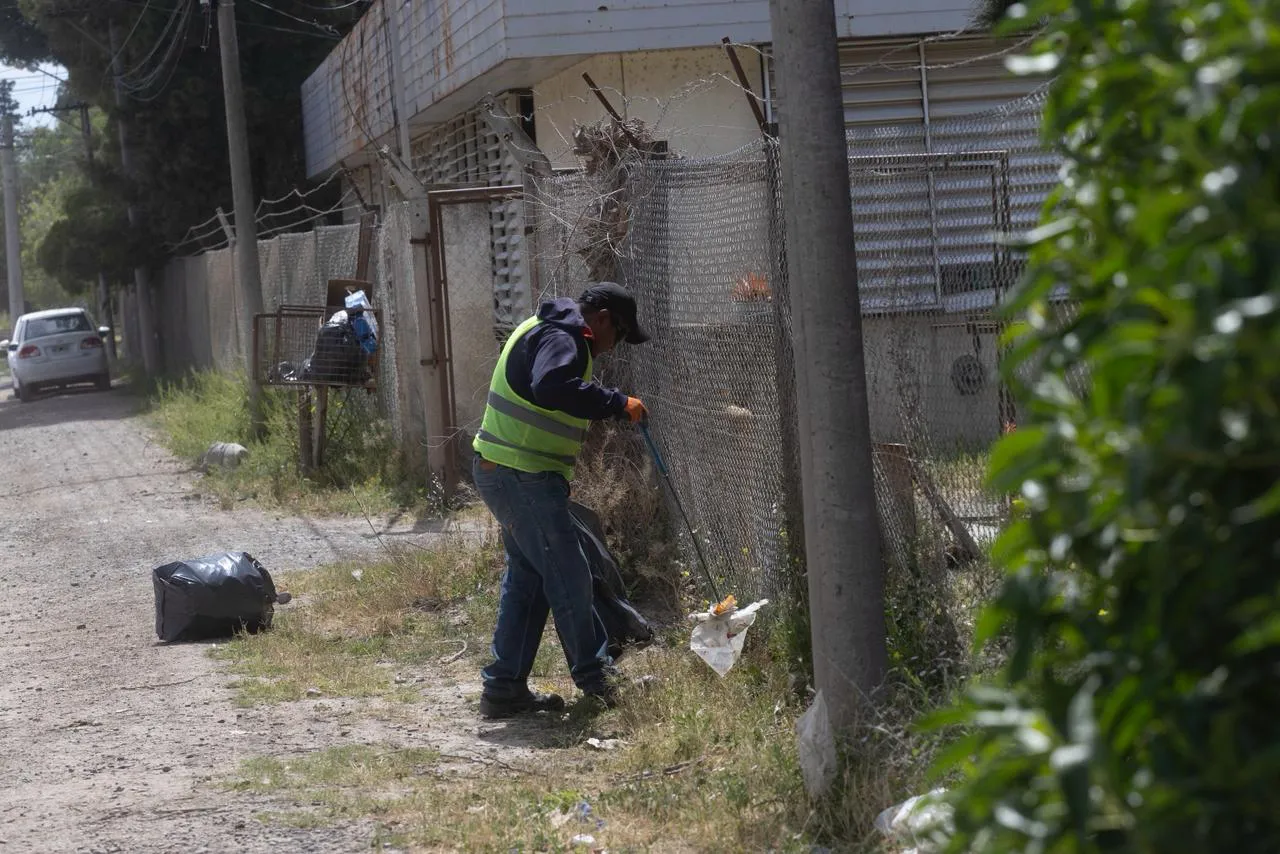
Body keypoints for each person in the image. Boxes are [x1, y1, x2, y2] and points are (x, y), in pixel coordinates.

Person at [471, 282, 651, 719]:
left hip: (510, 471)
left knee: (530, 582)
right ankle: (597, 678)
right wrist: (616, 402)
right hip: (520, 474)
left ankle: (504, 688)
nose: (614, 346)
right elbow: (552, 387)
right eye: (619, 334)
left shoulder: (550, 328)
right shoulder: (563, 336)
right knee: (569, 574)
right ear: (602, 319)